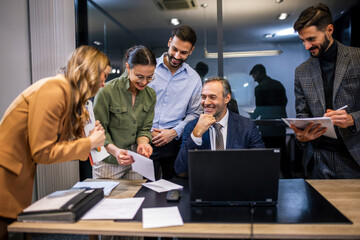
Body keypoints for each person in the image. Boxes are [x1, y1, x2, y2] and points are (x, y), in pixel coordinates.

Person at [0, 45, 110, 239]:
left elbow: (55, 142)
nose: (103, 84)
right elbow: (42, 151)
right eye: (104, 76)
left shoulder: (65, 92)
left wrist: (87, 138)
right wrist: (89, 143)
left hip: (15, 176)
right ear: (92, 71)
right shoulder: (54, 89)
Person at [291, 3, 360, 179]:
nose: (306, 46)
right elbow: (302, 114)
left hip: (355, 156)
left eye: (311, 39)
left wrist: (353, 119)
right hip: (318, 160)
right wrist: (301, 136)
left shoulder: (357, 58)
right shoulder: (301, 71)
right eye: (303, 41)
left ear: (329, 30)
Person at [175, 77, 265, 176]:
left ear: (227, 98)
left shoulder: (247, 126)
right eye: (203, 97)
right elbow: (180, 170)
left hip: (237, 184)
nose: (206, 102)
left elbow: (261, 164)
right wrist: (196, 135)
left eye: (212, 97)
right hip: (204, 185)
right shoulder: (192, 127)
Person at [93, 45, 157, 179]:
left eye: (150, 77)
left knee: (136, 198)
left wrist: (143, 143)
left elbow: (144, 129)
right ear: (128, 68)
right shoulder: (106, 91)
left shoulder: (150, 95)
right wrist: (115, 152)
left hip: (135, 161)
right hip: (109, 162)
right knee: (107, 200)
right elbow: (98, 131)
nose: (144, 82)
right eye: (139, 76)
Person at [148, 25, 202, 180]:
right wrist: (147, 131)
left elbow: (195, 113)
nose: (177, 56)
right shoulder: (149, 69)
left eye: (184, 52)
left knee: (174, 190)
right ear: (169, 42)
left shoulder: (194, 79)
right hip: (145, 139)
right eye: (174, 49)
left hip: (174, 143)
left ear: (191, 51)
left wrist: (174, 132)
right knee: (144, 189)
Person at [249, 64, 289, 177]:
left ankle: (268, 178)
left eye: (254, 75)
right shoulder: (278, 85)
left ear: (258, 73)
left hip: (267, 127)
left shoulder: (259, 88)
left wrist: (252, 116)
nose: (254, 79)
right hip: (279, 126)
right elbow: (284, 103)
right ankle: (287, 176)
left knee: (267, 154)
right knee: (282, 153)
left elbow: (260, 108)